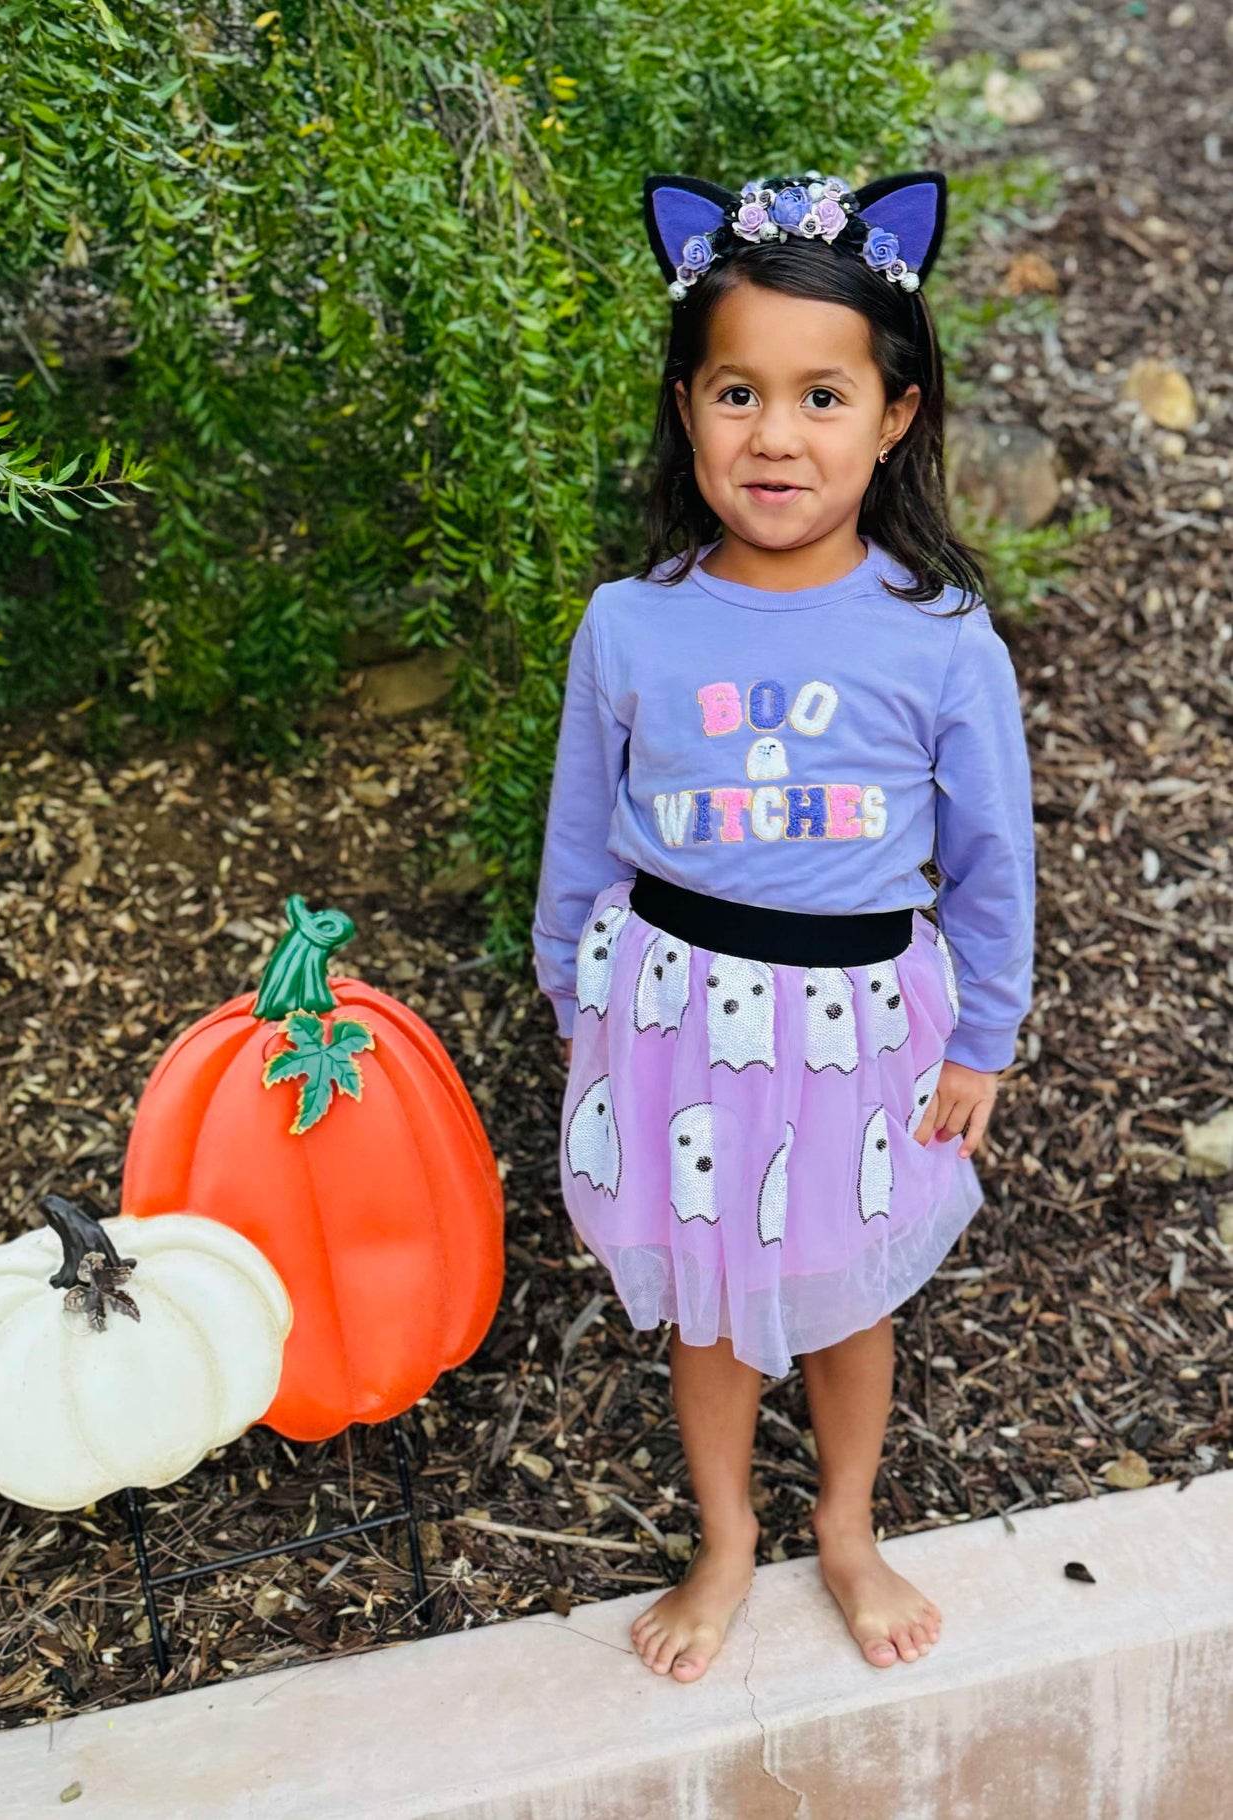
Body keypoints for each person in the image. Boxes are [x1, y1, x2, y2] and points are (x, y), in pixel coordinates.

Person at [530, 166, 1035, 1685]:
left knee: (840, 1291)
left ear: (894, 417)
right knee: (704, 1301)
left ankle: (844, 1526)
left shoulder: (936, 640)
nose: (774, 434)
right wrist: (577, 1006)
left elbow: (990, 857)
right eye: (737, 391)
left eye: (822, 396)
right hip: (670, 1018)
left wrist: (987, 1041)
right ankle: (726, 1536)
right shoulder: (632, 623)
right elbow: (576, 837)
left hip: (850, 1028)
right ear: (685, 408)